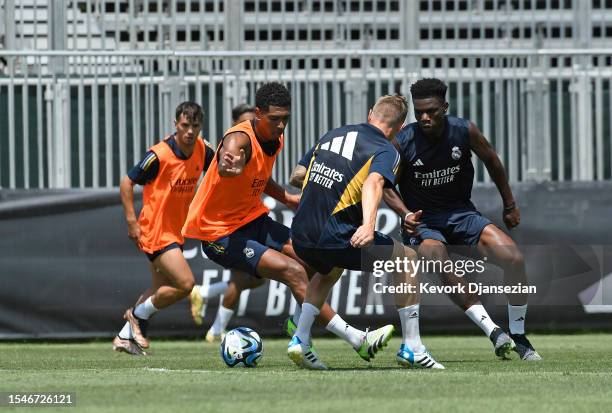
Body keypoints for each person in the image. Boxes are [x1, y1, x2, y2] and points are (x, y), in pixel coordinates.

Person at [182, 82, 393, 363]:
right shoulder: (239, 140)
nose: (281, 125)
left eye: (285, 119)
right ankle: (356, 339)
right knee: (294, 272)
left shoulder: (275, 138)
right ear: (257, 114)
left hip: (252, 219)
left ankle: (298, 324)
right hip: (218, 234)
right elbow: (227, 161)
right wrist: (227, 167)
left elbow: (259, 176)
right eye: (274, 119)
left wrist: (288, 198)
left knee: (313, 260)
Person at [384, 78, 541, 361]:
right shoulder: (404, 141)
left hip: (462, 214)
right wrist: (405, 214)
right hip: (424, 223)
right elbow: (383, 185)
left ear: (445, 107)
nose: (424, 117)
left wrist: (510, 204)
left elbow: (492, 160)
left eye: (431, 111)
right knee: (438, 260)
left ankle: (518, 335)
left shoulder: (464, 130)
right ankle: (493, 332)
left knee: (514, 259)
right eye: (419, 112)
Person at [288, 95, 444, 370]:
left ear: (371, 113)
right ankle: (413, 347)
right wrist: (369, 224)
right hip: (332, 235)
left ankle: (300, 338)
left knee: (330, 270)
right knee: (406, 257)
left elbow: (297, 175)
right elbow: (373, 183)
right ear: (400, 126)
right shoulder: (386, 150)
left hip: (300, 233)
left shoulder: (335, 133)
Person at [113, 102, 215, 355]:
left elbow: (219, 171)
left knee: (158, 290)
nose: (190, 132)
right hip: (155, 231)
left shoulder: (202, 150)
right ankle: (136, 315)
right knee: (185, 284)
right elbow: (127, 183)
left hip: (174, 231)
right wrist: (131, 221)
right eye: (185, 126)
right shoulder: (159, 155)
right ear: (175, 125)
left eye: (195, 126)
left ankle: (124, 337)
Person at [189, 102, 266, 342]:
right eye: (244, 122)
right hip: (225, 227)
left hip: (246, 219)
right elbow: (219, 171)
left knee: (257, 278)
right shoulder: (226, 150)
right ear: (235, 124)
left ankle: (206, 293)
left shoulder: (253, 148)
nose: (250, 127)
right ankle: (216, 331)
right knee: (242, 277)